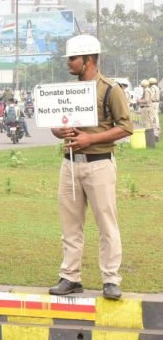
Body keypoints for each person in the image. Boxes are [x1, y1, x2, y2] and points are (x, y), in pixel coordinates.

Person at [48, 34, 132, 300]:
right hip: (70, 164)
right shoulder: (68, 91)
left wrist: (90, 139)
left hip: (99, 164)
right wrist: (58, 131)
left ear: (89, 60)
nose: (69, 63)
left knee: (107, 224)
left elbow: (126, 127)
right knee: (70, 225)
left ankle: (110, 279)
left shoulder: (110, 89)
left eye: (73, 59)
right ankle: (70, 277)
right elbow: (55, 124)